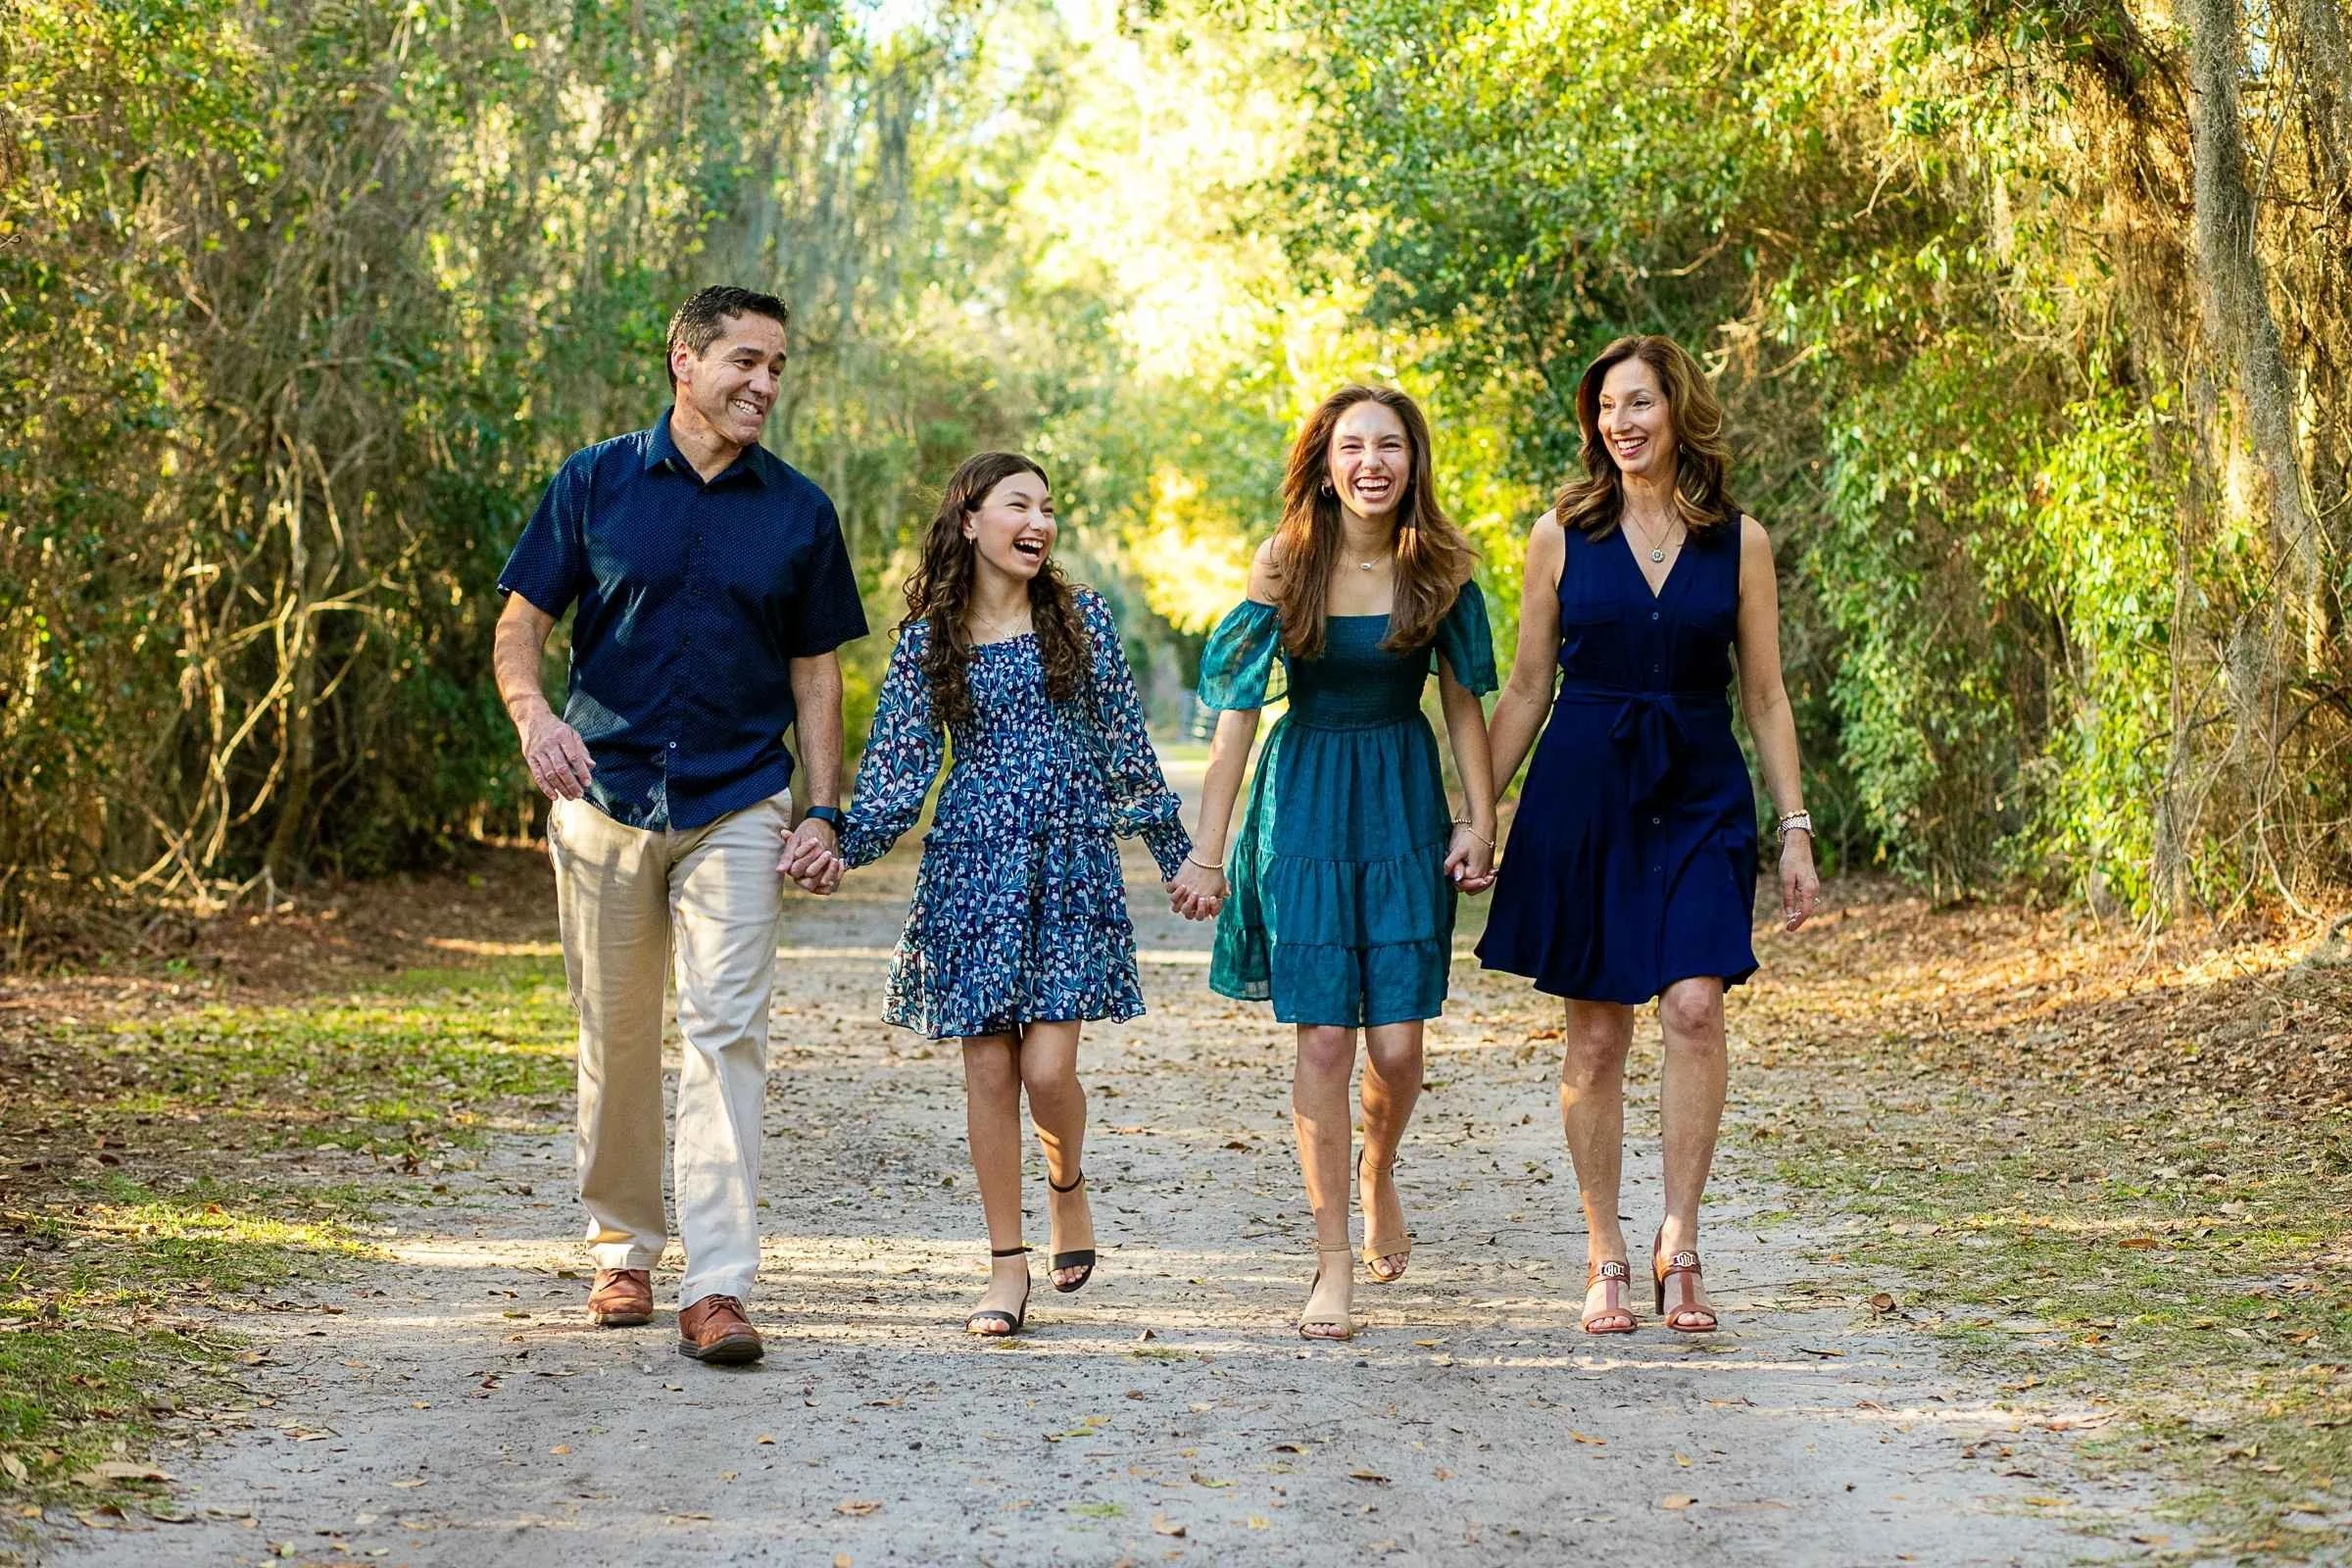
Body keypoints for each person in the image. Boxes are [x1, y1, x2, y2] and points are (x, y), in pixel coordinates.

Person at [491, 285, 867, 1366]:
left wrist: (825, 808)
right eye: (746, 361)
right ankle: (622, 1254)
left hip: (738, 800)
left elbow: (816, 675)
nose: (763, 383)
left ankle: (717, 1285)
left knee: (725, 1034)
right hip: (603, 801)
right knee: (615, 1036)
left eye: (779, 368)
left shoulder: (799, 510)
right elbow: (519, 628)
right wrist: (534, 718)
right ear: (684, 360)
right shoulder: (595, 480)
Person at [807, 452, 1197, 1337]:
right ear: (971, 519)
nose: (1041, 522)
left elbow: (1125, 750)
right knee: (988, 1067)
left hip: (1068, 858)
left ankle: (1067, 1184)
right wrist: (835, 840)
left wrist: (1180, 856)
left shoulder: (1081, 617)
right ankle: (1003, 1266)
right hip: (974, 861)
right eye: (1020, 504)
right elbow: (900, 773)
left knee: (1049, 1068)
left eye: (1050, 508)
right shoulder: (928, 638)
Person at [1476, 334, 1820, 1336]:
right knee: (1594, 1030)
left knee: (1697, 1007)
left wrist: (1794, 826)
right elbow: (1530, 684)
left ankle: (1682, 1240)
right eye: (1606, 409)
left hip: (1701, 786)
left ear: (1677, 411)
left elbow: (1764, 693)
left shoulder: (1739, 541)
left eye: (1639, 404)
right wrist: (1478, 812)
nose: (1621, 424)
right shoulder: (1562, 533)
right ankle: (1604, 1251)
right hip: (1586, 789)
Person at [1170, 385, 1497, 1342]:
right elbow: (1234, 718)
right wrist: (1210, 852)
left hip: (1399, 799)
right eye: (1351, 445)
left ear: (1412, 460)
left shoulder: (1438, 568)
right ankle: (1329, 1263)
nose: (1370, 462)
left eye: (1388, 445)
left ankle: (1377, 1167)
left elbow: (1466, 703)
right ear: (1324, 462)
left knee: (1396, 1045)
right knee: (1322, 1040)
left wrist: (1481, 820)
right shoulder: (1286, 563)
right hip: (1305, 803)